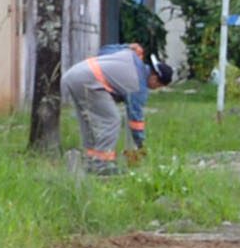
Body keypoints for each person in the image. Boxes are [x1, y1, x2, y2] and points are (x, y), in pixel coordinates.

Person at [62, 40, 171, 175]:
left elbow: (104, 50)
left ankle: (91, 159)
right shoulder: (138, 86)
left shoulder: (130, 54)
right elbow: (136, 120)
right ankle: (101, 164)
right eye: (158, 86)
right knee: (111, 120)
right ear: (155, 78)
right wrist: (140, 145)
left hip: (73, 75)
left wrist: (125, 46)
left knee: (88, 121)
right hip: (90, 81)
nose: (155, 89)